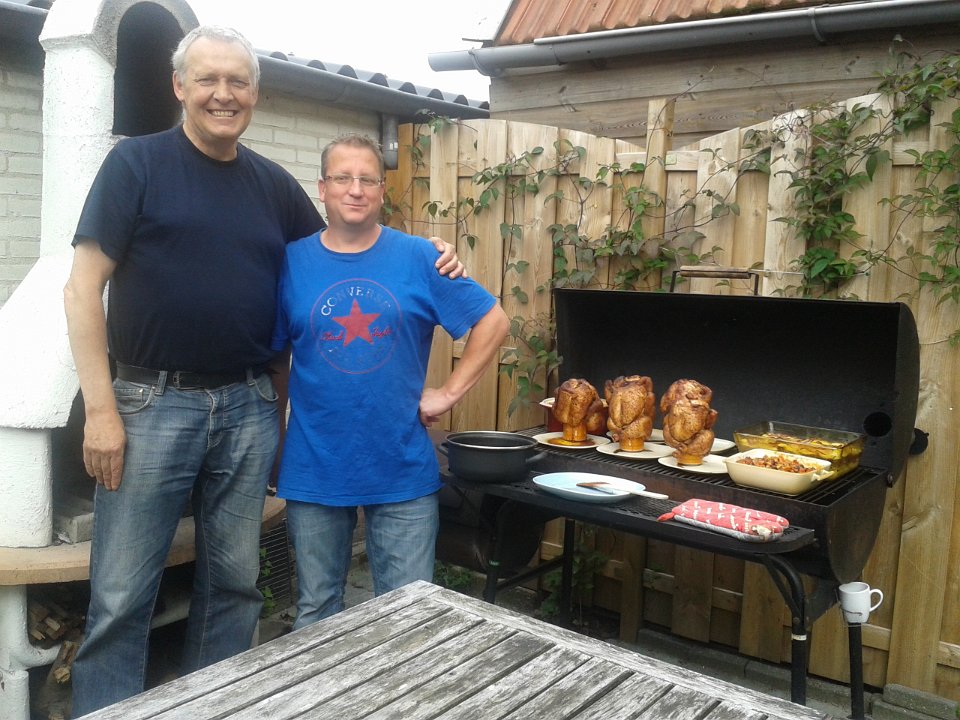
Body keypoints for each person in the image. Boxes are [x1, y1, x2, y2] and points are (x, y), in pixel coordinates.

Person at [62, 26, 462, 716]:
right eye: (208, 79)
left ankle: (217, 706)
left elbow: (343, 244)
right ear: (179, 86)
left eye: (238, 81)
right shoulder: (136, 166)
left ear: (255, 93)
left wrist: (430, 252)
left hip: (248, 406)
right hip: (150, 405)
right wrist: (100, 410)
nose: (223, 94)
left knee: (235, 584)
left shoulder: (272, 185)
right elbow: (80, 289)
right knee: (123, 593)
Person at [272, 133, 509, 629]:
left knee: (408, 620)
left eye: (368, 179)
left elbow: (493, 321)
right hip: (315, 465)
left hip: (402, 466)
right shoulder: (291, 263)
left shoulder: (422, 258)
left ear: (383, 191)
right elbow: (276, 361)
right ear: (322, 188)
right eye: (342, 178)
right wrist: (273, 445)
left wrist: (448, 393)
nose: (355, 189)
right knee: (316, 613)